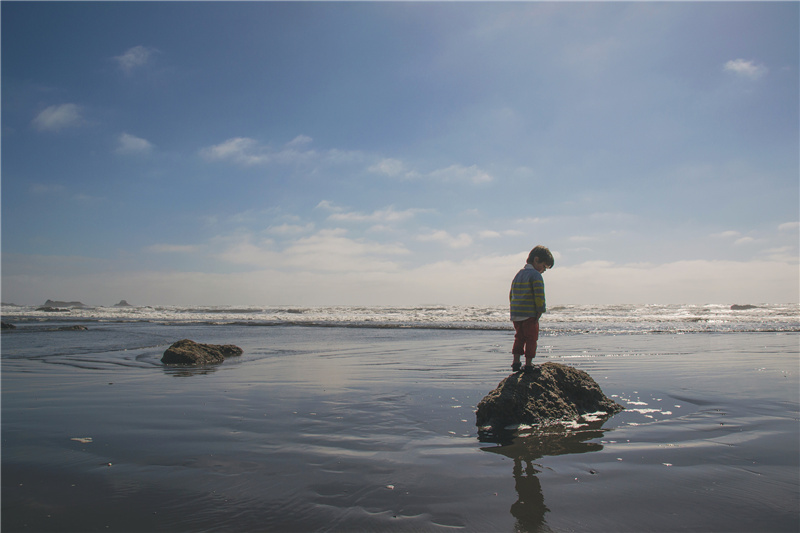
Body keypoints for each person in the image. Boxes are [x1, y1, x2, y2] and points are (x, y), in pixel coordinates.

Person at [509, 245, 554, 372]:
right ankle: (528, 364)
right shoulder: (535, 275)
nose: (544, 270)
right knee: (531, 339)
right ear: (536, 260)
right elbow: (539, 295)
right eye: (544, 266)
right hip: (529, 314)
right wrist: (540, 310)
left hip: (516, 313)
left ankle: (516, 362)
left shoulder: (518, 274)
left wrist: (513, 309)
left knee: (519, 337)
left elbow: (511, 294)